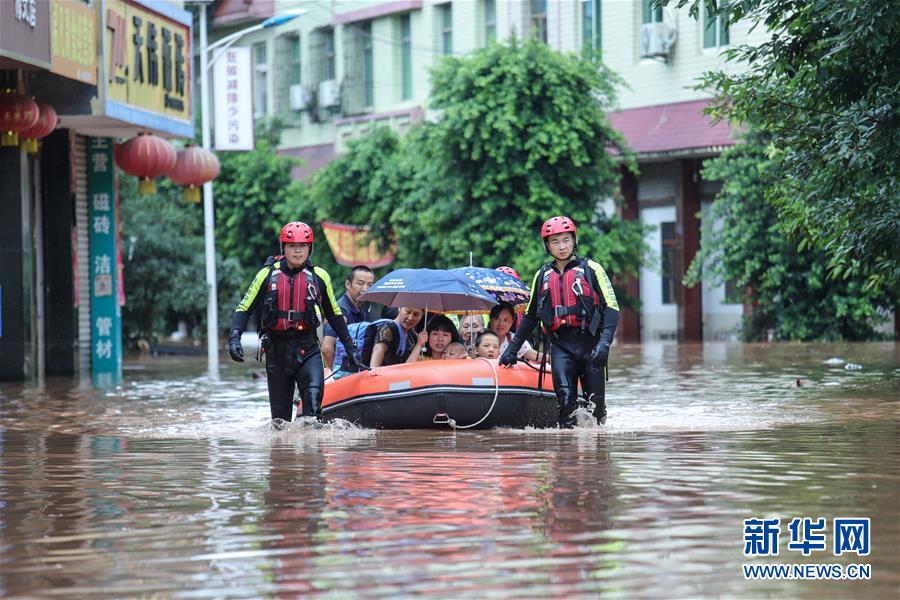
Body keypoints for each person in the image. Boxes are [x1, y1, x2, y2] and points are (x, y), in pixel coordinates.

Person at [228, 222, 361, 422]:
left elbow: (333, 314)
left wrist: (350, 346)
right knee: (280, 421)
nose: (298, 250)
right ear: (283, 248)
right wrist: (234, 338)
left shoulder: (319, 276)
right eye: (292, 245)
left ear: (310, 248)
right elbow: (244, 308)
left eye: (303, 245)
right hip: (277, 352)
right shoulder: (266, 274)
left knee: (314, 406)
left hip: (308, 349)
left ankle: (312, 450)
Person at [499, 216, 619, 428]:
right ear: (547, 245)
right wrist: (512, 349)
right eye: (555, 241)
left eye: (566, 240)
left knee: (596, 405)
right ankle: (567, 456)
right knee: (565, 401)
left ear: (574, 240)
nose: (562, 246)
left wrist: (605, 343)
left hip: (591, 344)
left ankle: (598, 449)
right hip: (561, 345)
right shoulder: (542, 274)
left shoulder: (592, 269)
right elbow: (530, 316)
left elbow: (612, 307)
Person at [321, 265, 397, 370]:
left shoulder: (362, 312)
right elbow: (327, 349)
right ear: (348, 284)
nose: (365, 289)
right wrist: (338, 374)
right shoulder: (340, 311)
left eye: (370, 284)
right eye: (360, 284)